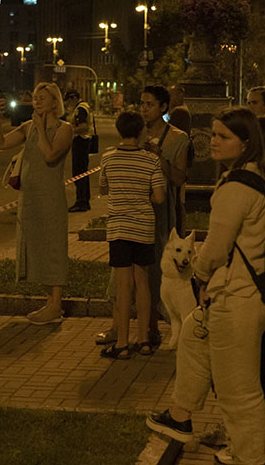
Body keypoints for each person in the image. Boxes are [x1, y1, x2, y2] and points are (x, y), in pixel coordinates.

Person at [147, 108, 265, 465]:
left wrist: (198, 274)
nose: (213, 141)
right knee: (192, 333)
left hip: (238, 296)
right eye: (214, 134)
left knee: (238, 388)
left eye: (223, 137)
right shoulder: (255, 176)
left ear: (245, 144)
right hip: (239, 292)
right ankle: (180, 414)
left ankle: (250, 457)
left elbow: (215, 249)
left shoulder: (236, 187)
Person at [95, 85, 189, 349]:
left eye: (149, 104)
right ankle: (119, 327)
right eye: (142, 104)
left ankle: (151, 328)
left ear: (163, 107)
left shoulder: (178, 138)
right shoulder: (135, 133)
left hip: (160, 215)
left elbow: (180, 178)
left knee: (154, 273)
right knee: (122, 277)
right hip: (135, 216)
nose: (144, 109)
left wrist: (160, 159)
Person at [0, 82, 73, 325]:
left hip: (51, 197)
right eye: (35, 97)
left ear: (54, 102)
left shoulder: (64, 129)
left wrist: (39, 127)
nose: (36, 101)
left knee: (53, 247)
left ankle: (56, 304)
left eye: (42, 98)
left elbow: (50, 156)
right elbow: (1, 143)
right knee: (36, 246)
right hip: (30, 198)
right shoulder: (28, 127)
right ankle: (49, 301)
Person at [98, 111, 165, 359]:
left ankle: (122, 344)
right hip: (143, 227)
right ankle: (144, 340)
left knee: (124, 286)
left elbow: (103, 188)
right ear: (140, 133)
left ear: (119, 131)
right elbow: (159, 197)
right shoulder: (151, 161)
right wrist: (141, 198)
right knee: (143, 283)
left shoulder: (108, 158)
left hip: (118, 228)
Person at [64, 89, 95, 212]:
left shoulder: (80, 109)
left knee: (79, 174)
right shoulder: (84, 106)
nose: (68, 104)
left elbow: (83, 127)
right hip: (83, 141)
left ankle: (81, 202)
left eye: (69, 101)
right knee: (82, 173)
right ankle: (84, 200)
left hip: (81, 141)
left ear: (73, 98)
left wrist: (69, 130)